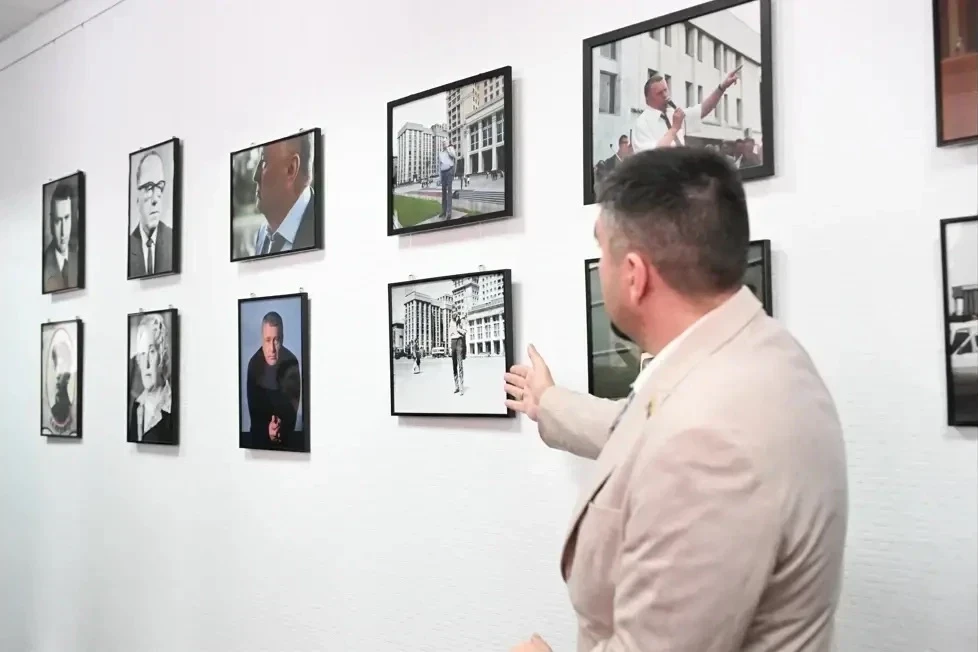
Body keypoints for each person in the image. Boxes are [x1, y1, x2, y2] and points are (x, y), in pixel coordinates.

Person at [505, 147, 848, 652]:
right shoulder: (754, 352)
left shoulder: (709, 440)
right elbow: (644, 426)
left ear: (634, 275)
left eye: (602, 251)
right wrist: (548, 402)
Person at [631, 69, 740, 153]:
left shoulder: (673, 114)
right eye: (659, 93)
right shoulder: (642, 123)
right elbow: (651, 155)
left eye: (666, 90)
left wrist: (722, 87)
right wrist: (674, 128)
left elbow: (703, 109)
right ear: (648, 99)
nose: (665, 95)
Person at [250, 133, 316, 256]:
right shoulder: (262, 233)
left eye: (264, 162)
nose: (255, 176)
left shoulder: (325, 228)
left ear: (291, 168)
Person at [245, 311, 302, 449]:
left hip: (286, 441)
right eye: (267, 340)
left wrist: (279, 429)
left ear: (283, 338)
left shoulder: (291, 362)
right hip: (258, 442)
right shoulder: (254, 364)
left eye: (276, 340)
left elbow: (292, 414)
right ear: (262, 339)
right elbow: (255, 416)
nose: (272, 349)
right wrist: (267, 430)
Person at [128, 313, 175, 444]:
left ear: (162, 355)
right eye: (143, 354)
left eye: (152, 352)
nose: (147, 364)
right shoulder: (136, 406)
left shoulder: (171, 406)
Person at [129, 150, 174, 278]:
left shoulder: (172, 239)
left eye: (159, 186)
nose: (155, 199)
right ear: (137, 198)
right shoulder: (128, 248)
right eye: (149, 188)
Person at [41, 180, 79, 292]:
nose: (63, 232)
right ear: (51, 223)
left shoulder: (78, 259)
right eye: (58, 221)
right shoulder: (44, 264)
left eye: (66, 218)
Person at [449, 310, 467, 394]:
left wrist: (458, 328)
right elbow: (449, 334)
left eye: (455, 312)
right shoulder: (450, 322)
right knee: (454, 365)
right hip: (453, 342)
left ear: (457, 313)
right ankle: (456, 386)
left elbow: (465, 331)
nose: (453, 314)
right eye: (452, 312)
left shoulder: (461, 321)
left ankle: (461, 387)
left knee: (460, 365)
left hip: (459, 341)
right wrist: (449, 347)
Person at [438, 141, 457, 218]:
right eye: (443, 143)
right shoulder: (440, 153)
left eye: (445, 143)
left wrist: (448, 149)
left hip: (449, 171)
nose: (444, 144)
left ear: (447, 143)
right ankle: (444, 211)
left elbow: (454, 156)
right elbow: (440, 165)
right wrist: (440, 177)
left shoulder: (450, 149)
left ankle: (449, 213)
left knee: (449, 192)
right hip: (443, 172)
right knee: (443, 192)